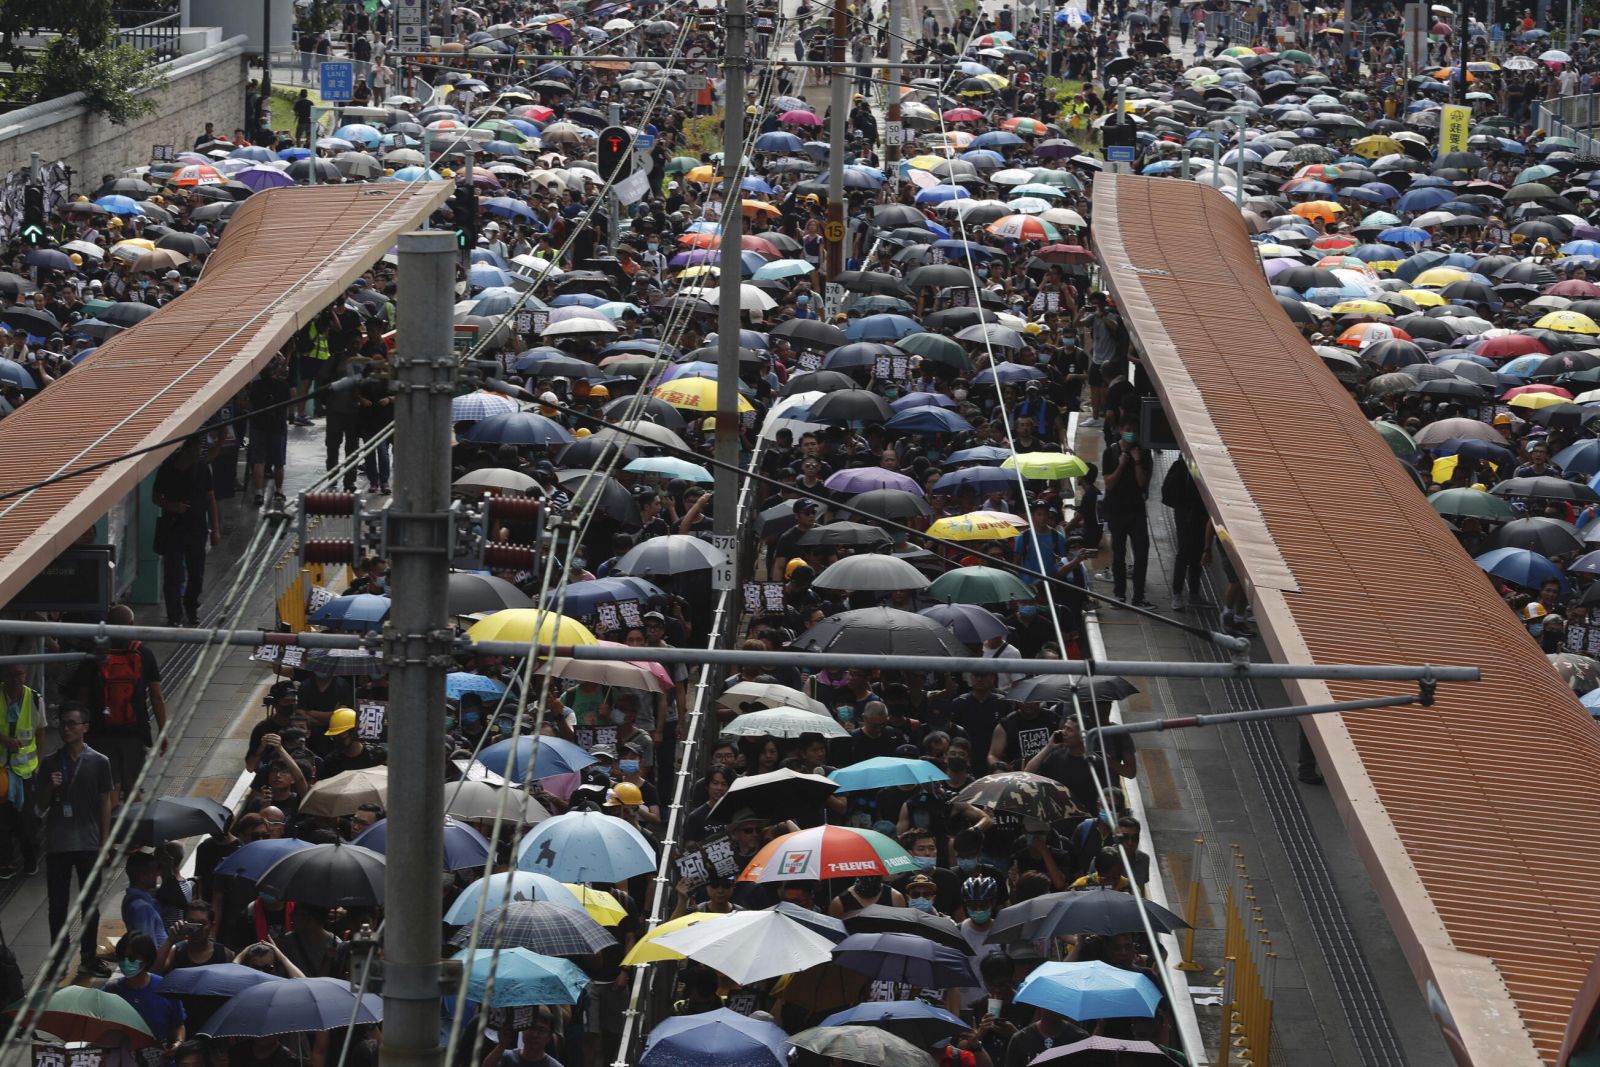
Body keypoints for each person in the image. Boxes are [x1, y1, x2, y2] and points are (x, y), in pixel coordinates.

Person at [37, 705, 114, 977]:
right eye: (63, 724)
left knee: (89, 904)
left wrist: (105, 842)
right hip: (58, 844)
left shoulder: (99, 762)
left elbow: (105, 802)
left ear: (85, 727)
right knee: (57, 907)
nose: (66, 728)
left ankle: (89, 957)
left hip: (89, 844)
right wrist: (50, 787)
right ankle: (58, 961)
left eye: (72, 723)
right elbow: (40, 804)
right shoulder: (49, 762)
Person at [76, 603, 167, 800]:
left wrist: (81, 731)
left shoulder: (95, 655)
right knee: (133, 787)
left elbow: (82, 697)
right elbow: (156, 696)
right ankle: (135, 829)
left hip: (100, 732)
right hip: (133, 732)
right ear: (132, 623)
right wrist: (163, 731)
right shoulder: (143, 654)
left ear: (107, 624)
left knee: (110, 790)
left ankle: (108, 828)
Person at [152, 436, 221, 626]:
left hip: (197, 528)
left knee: (196, 573)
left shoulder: (202, 469)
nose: (201, 451)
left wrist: (215, 529)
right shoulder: (167, 469)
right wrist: (173, 506)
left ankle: (191, 608)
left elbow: (210, 498)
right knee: (172, 574)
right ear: (187, 449)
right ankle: (174, 616)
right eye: (198, 447)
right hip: (173, 528)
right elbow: (156, 497)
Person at [105, 931, 186, 1064]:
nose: (126, 962)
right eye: (121, 957)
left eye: (131, 958)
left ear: (146, 959)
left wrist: (178, 1043)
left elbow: (178, 1025)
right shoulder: (111, 991)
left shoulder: (166, 989)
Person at [1100, 419, 1153, 607]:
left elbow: (1142, 483)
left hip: (1136, 511)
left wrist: (1137, 460)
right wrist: (1121, 465)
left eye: (1134, 430)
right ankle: (1119, 594)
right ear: (1121, 430)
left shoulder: (1144, 453)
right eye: (1128, 429)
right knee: (1119, 553)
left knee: (1141, 554)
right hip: (1117, 511)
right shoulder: (1110, 453)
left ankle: (1139, 595)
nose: (1131, 433)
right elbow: (1109, 483)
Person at [0, 662, 43, 878]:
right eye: (11, 675)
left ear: (26, 674)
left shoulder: (35, 699)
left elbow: (41, 732)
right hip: (1, 773)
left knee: (26, 819)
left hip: (25, 772)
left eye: (20, 674)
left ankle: (30, 858)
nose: (16, 679)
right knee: (2, 820)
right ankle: (6, 861)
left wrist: (41, 764)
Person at [122, 851, 169, 947]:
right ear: (142, 877)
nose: (158, 874)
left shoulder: (131, 899)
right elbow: (148, 948)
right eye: (155, 871)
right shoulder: (142, 908)